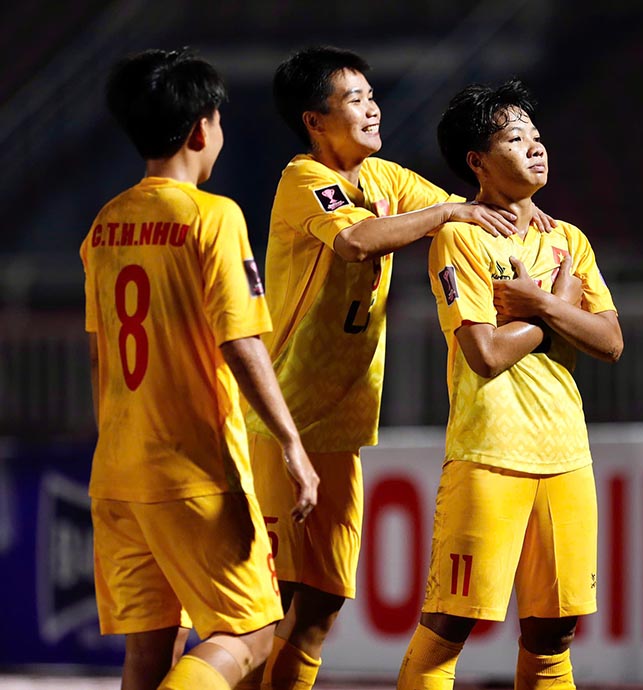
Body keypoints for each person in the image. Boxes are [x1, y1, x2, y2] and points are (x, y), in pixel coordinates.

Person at [240, 46, 554, 689]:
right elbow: (360, 239)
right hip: (283, 423)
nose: (373, 106)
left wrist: (519, 214)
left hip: (339, 425)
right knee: (266, 608)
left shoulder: (383, 178)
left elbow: (465, 213)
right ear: (314, 121)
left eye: (371, 94)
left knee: (322, 603)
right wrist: (452, 213)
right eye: (353, 98)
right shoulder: (303, 179)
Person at [81, 48, 319, 690]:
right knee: (250, 633)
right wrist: (293, 447)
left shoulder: (105, 225)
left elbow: (103, 352)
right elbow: (241, 342)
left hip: (117, 471)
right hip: (191, 470)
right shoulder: (214, 217)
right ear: (200, 129)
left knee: (151, 652)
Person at [396, 79, 623, 690]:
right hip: (489, 456)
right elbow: (485, 354)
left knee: (554, 636)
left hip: (566, 456)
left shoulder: (567, 239)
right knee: (449, 627)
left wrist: (537, 307)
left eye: (538, 136)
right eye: (516, 137)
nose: (536, 147)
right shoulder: (460, 238)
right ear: (477, 161)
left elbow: (610, 342)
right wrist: (552, 308)